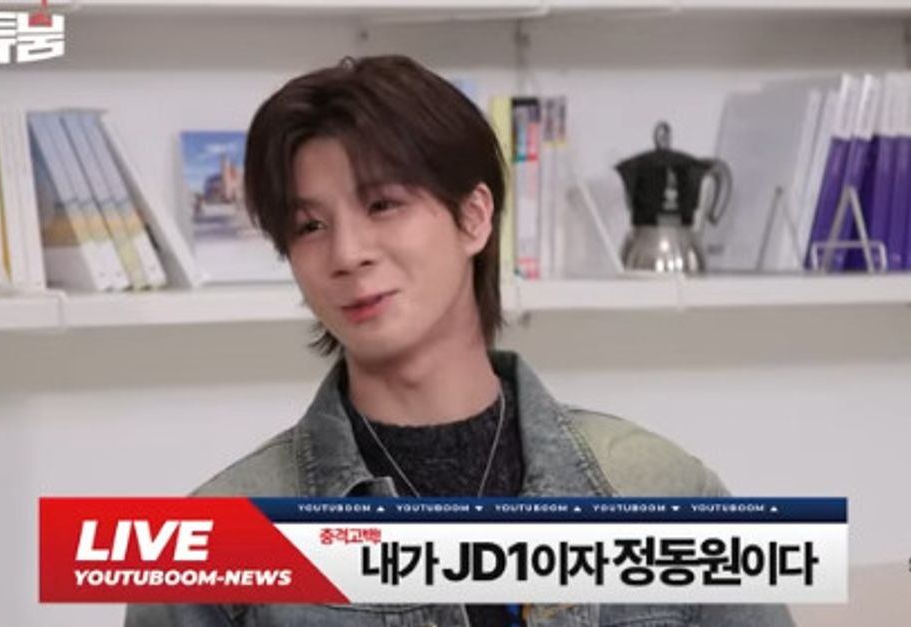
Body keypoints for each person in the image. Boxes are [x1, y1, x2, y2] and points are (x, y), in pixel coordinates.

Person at [126, 55, 793, 627]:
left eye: (382, 204)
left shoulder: (661, 492)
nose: (347, 253)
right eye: (309, 226)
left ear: (473, 218)